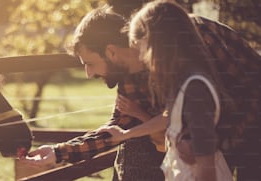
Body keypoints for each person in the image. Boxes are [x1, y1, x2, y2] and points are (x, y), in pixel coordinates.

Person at [98, 0, 261, 180]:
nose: (142, 57)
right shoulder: (181, 85)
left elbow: (206, 167)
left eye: (142, 47)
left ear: (157, 44)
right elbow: (168, 119)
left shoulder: (194, 89)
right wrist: (125, 135)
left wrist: (212, 145)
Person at [19, 5, 166, 181]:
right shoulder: (127, 79)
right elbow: (114, 130)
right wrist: (58, 152)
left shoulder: (168, 64)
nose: (89, 74)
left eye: (90, 63)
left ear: (111, 51)